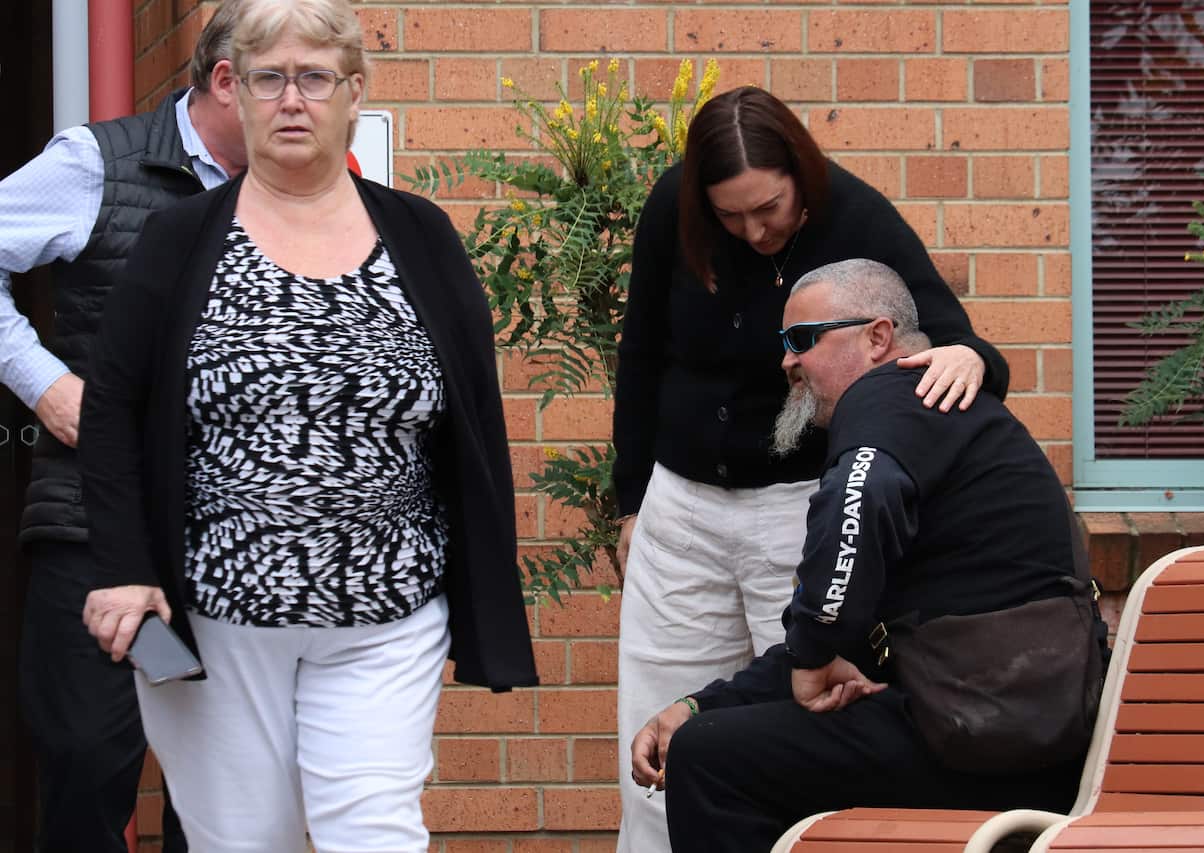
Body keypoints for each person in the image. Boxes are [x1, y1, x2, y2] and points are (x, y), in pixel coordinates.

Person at [77, 0, 537, 849]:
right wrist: (124, 568)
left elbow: (471, 414)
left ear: (354, 92)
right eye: (269, 78)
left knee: (375, 832)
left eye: (316, 77)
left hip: (386, 610)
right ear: (236, 92)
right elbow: (112, 409)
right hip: (216, 617)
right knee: (244, 839)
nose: (293, 100)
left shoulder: (420, 236)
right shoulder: (180, 240)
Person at [611, 85, 1011, 851]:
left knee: (800, 727)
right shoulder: (675, 206)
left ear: (800, 170)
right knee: (655, 734)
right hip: (681, 508)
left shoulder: (856, 215)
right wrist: (632, 501)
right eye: (731, 215)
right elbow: (641, 352)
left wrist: (973, 357)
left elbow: (948, 342)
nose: (753, 229)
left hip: (798, 508)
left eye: (768, 207)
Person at [629, 259, 1096, 853]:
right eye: (783, 343)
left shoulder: (892, 398)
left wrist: (811, 654)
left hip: (990, 743)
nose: (787, 361)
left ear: (877, 338)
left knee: (711, 758)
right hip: (999, 730)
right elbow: (846, 631)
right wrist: (701, 703)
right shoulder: (926, 414)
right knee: (718, 735)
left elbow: (856, 520)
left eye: (802, 340)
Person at [3, 3, 247, 848]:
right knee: (86, 767)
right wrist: (44, 384)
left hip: (237, 543)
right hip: (95, 532)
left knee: (224, 800)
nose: (308, 110)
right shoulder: (95, 164)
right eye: (286, 81)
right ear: (225, 79)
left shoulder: (306, 195)